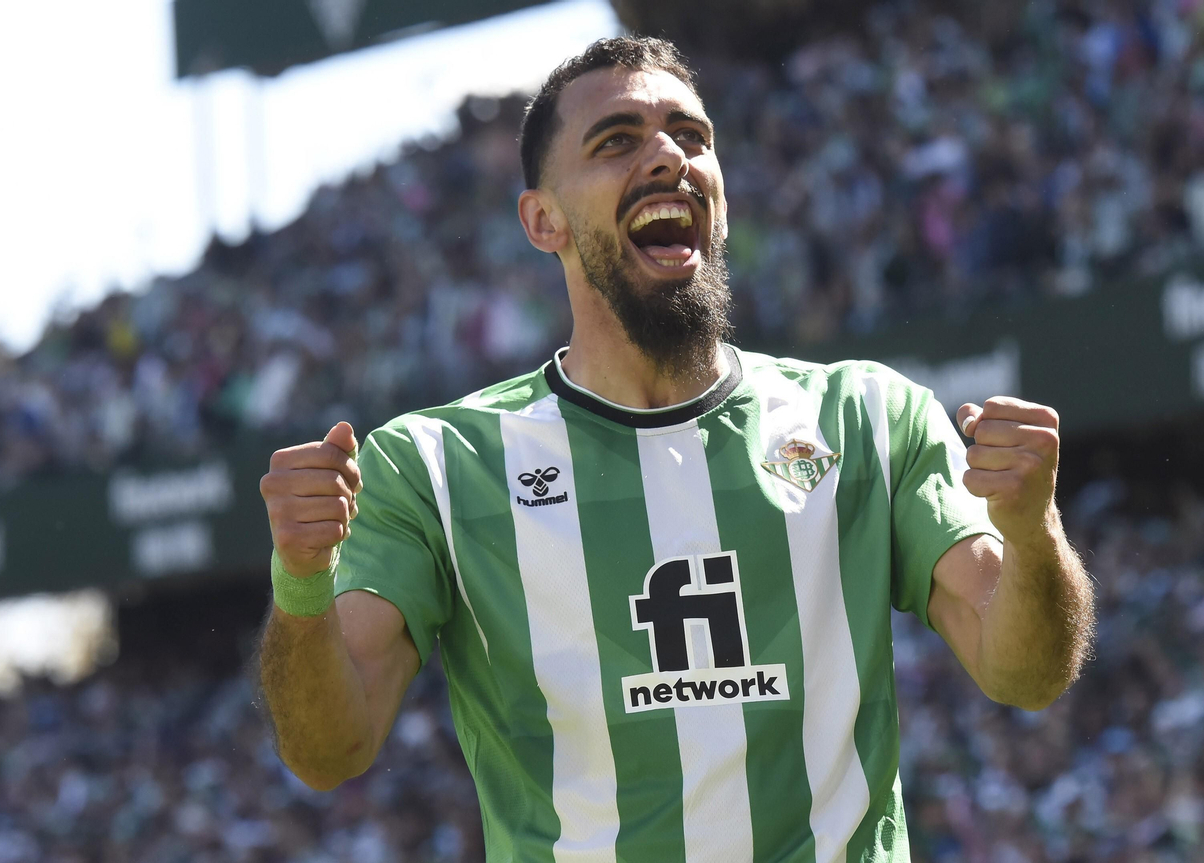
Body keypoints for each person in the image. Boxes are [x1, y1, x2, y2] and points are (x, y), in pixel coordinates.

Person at [254, 36, 1095, 862]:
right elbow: (330, 751)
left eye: (692, 136)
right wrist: (300, 576)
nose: (667, 157)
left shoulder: (870, 417)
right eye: (617, 140)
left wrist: (1030, 531)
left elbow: (1025, 673)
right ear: (542, 218)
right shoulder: (438, 467)